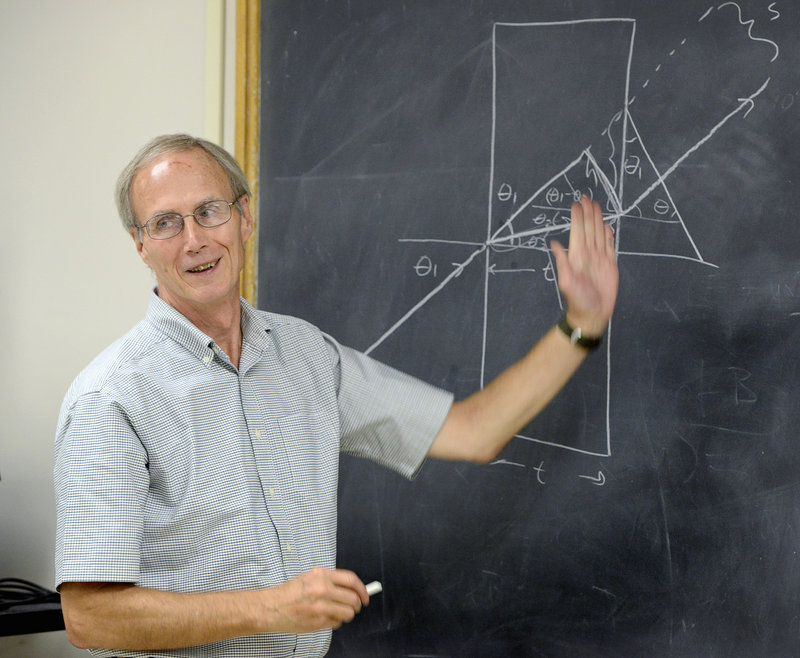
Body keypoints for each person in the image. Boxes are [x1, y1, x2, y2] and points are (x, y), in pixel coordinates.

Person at [54, 134, 618, 657]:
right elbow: (90, 617)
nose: (195, 239)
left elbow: (475, 431)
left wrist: (582, 325)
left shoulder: (307, 356)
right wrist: (269, 608)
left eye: (209, 211)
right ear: (140, 245)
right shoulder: (110, 398)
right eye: (166, 223)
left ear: (244, 217)